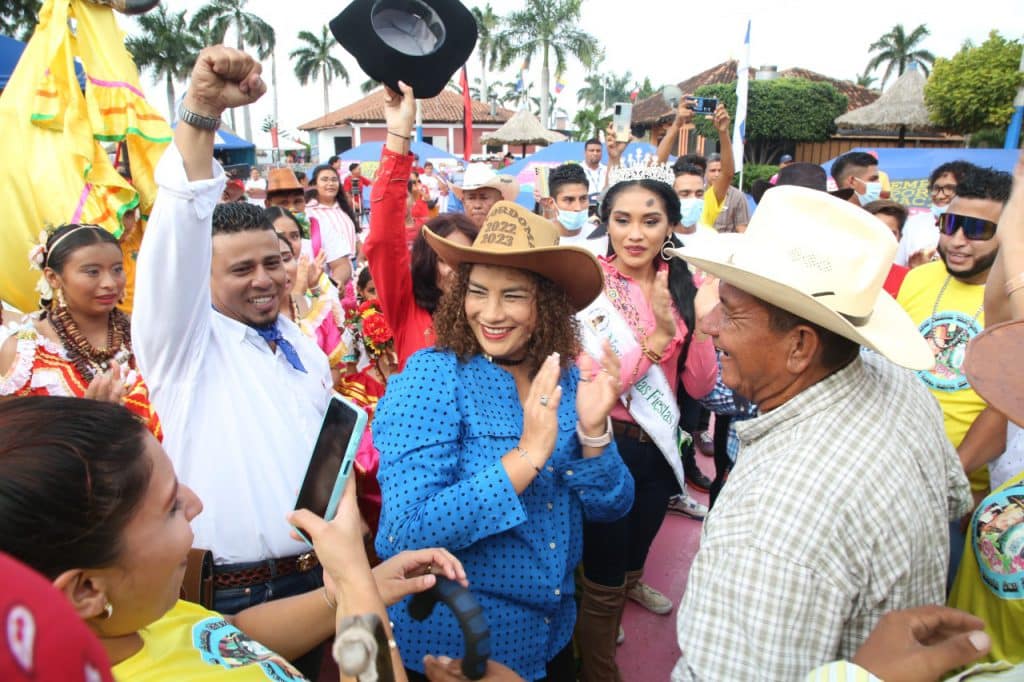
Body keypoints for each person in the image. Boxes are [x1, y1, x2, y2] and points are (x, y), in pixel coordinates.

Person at [668, 185, 972, 681]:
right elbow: (953, 498)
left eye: (730, 310)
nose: (711, 324)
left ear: (800, 347)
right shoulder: (899, 384)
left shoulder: (769, 521)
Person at [0, 395, 464, 682]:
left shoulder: (132, 616)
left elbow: (229, 637)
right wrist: (357, 587)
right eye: (170, 506)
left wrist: (341, 594)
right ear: (86, 590)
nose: (195, 502)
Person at [374, 200, 634, 682]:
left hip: (553, 638)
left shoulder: (565, 377)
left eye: (513, 296)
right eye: (477, 292)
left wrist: (595, 433)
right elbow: (403, 535)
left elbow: (612, 506)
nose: (490, 313)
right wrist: (526, 456)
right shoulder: (432, 377)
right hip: (458, 650)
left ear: (548, 304)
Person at [132, 47, 336, 618]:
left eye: (273, 262)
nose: (264, 280)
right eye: (241, 269)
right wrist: (201, 112)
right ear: (201, 278)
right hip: (233, 596)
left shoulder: (300, 345)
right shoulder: (183, 346)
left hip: (323, 579)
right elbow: (181, 218)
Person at [573, 166, 717, 680]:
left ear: (670, 226)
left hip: (659, 444)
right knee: (603, 561)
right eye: (623, 220)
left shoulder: (682, 284)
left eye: (650, 221)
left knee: (640, 544)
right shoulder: (588, 284)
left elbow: (699, 385)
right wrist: (656, 340)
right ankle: (598, 662)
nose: (635, 234)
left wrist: (701, 325)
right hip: (604, 444)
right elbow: (596, 380)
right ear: (606, 223)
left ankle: (627, 590)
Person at [896, 165, 1012, 585]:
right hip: (894, 478)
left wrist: (953, 483)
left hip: (962, 499)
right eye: (950, 224)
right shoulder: (918, 279)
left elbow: (1006, 408)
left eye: (977, 229)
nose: (958, 240)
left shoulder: (1014, 300)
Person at [0, 224, 161, 437]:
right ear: (53, 277)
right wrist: (89, 419)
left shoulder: (145, 334)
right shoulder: (24, 351)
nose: (109, 283)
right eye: (92, 272)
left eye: (117, 269)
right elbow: (14, 441)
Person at [363, 82, 479, 371]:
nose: (454, 270)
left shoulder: (492, 319)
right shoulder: (407, 309)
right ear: (427, 262)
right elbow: (383, 240)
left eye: (464, 260)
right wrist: (399, 134)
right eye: (444, 259)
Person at [269, 208, 347, 377]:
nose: (289, 243)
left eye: (295, 236)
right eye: (279, 235)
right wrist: (299, 291)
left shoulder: (315, 276)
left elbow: (331, 359)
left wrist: (313, 287)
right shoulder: (262, 289)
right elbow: (294, 331)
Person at [654, 97, 736, 230]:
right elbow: (654, 170)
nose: (693, 199)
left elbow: (727, 174)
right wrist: (677, 124)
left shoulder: (707, 204)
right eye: (684, 193)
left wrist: (723, 132)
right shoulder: (664, 208)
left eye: (699, 193)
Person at [896, 161, 976, 268]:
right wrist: (916, 270)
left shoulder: (977, 226)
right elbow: (897, 266)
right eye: (936, 189)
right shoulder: (913, 223)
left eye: (949, 189)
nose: (940, 196)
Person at [305, 164, 360, 286]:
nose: (330, 183)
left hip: (352, 269)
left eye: (334, 180)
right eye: (324, 180)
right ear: (315, 184)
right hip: (326, 273)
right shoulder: (308, 212)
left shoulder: (343, 209)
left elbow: (356, 238)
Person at [538, 163, 607, 256]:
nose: (578, 208)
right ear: (551, 203)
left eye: (583, 198)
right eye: (569, 200)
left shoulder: (603, 237)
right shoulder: (537, 241)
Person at [864, 199, 911, 297]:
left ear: (899, 238)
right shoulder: (838, 270)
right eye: (876, 231)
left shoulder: (908, 278)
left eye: (890, 233)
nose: (883, 238)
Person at [457, 163, 521, 229]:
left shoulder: (515, 231)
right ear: (463, 202)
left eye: (484, 198)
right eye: (471, 198)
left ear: (500, 201)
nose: (477, 205)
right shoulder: (454, 233)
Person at [706, 153, 749, 234]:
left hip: (725, 241)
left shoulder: (738, 197)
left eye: (720, 171)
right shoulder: (697, 194)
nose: (717, 174)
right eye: (713, 171)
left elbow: (742, 229)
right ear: (706, 173)